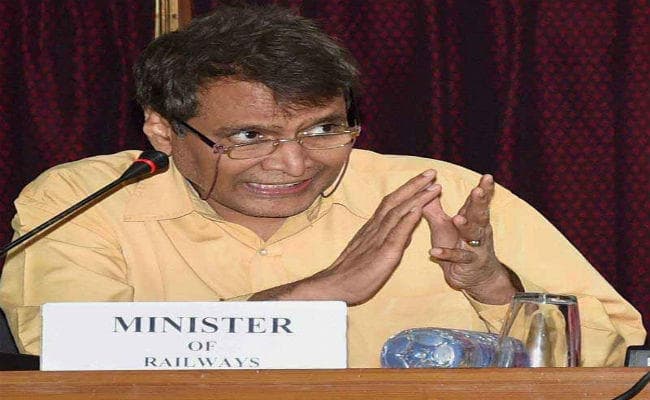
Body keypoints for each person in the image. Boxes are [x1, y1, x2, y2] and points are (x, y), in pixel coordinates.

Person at [0, 5, 644, 367]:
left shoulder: (437, 193)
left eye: (323, 129)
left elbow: (612, 357)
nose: (293, 164)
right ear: (163, 131)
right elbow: (73, 355)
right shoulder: (85, 200)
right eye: (250, 136)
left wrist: (494, 287)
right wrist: (314, 296)